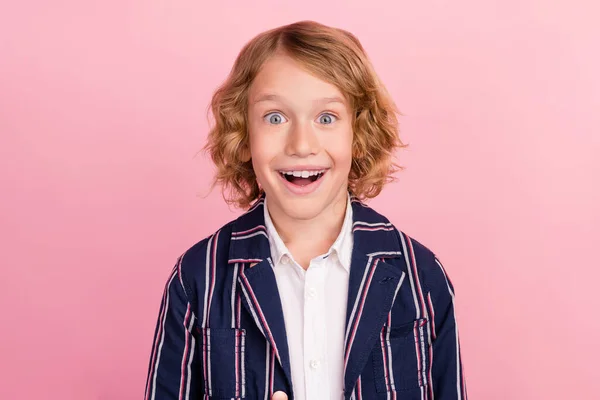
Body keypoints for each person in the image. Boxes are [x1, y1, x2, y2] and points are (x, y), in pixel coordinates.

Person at [144, 20, 467, 400]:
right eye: (275, 117)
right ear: (244, 135)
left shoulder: (421, 277)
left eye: (326, 118)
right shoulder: (197, 279)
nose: (301, 144)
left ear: (358, 135)